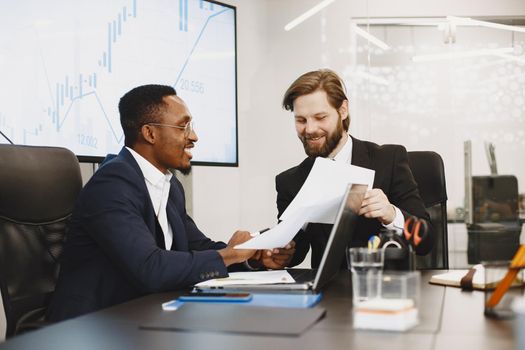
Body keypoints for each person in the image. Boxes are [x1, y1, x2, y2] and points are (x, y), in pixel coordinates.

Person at [47, 84, 292, 322]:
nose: (193, 136)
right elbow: (150, 268)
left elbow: (197, 246)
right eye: (183, 127)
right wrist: (230, 254)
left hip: (141, 315)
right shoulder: (112, 183)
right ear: (150, 133)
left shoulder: (169, 184)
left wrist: (254, 255)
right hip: (93, 325)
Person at [275, 69, 432, 268]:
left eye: (320, 117)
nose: (310, 129)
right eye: (301, 120)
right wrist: (282, 253)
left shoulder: (388, 160)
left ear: (343, 110)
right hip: (328, 295)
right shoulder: (290, 181)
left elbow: (427, 242)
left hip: (384, 290)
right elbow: (294, 252)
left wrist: (392, 214)